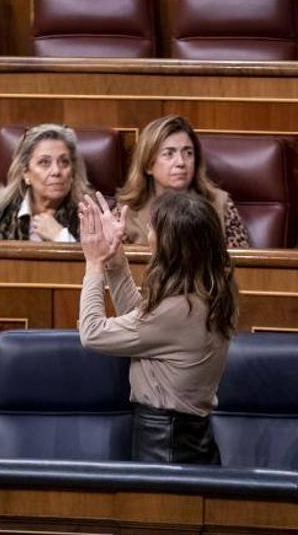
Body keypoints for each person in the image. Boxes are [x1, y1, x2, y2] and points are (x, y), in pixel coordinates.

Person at [78, 190, 238, 464]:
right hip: (188, 440)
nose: (148, 235)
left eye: (153, 228)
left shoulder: (180, 310)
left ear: (171, 245)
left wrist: (93, 264)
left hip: (166, 446)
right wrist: (114, 259)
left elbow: (92, 333)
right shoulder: (207, 295)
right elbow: (143, 326)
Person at [116, 115, 250, 248]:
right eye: (169, 154)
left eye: (188, 153)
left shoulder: (220, 204)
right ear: (148, 165)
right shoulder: (126, 211)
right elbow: (111, 262)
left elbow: (242, 264)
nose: (181, 162)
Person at [0, 124, 90, 241]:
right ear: (25, 172)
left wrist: (61, 236)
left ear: (73, 170)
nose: (56, 171)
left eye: (64, 162)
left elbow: (95, 259)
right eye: (44, 162)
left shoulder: (89, 215)